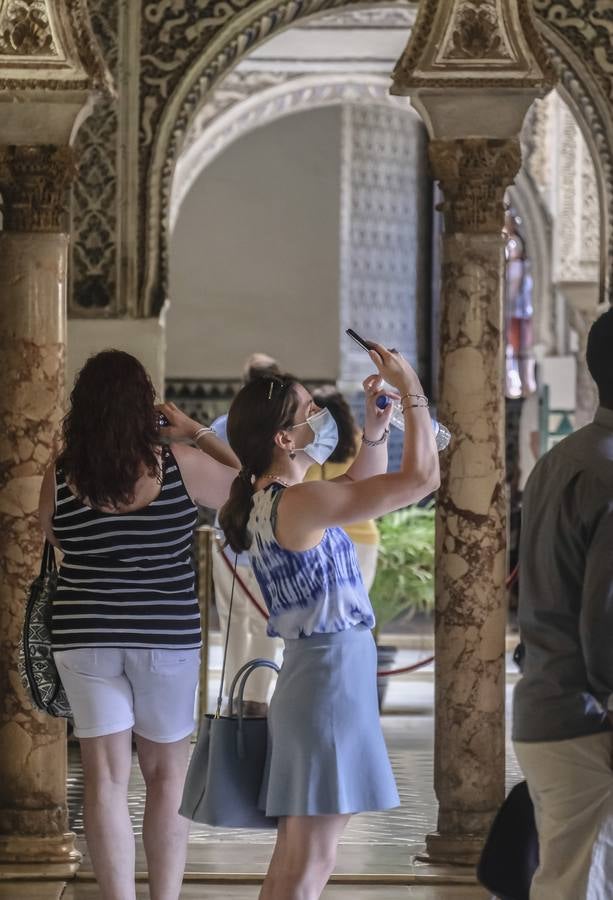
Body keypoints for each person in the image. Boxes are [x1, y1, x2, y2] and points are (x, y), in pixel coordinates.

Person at [220, 343, 439, 900]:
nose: (320, 419)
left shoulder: (276, 498)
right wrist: (410, 384)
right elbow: (420, 480)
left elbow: (355, 488)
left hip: (318, 678)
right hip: (328, 684)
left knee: (298, 858)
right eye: (308, 413)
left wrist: (375, 430)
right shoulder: (300, 503)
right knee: (310, 859)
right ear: (284, 439)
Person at [38, 350, 237, 900]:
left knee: (104, 781)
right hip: (165, 638)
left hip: (83, 636)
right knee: (166, 778)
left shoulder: (61, 472)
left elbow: (54, 538)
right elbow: (248, 484)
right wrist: (195, 431)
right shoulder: (178, 464)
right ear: (142, 407)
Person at [513, 308, 613, 899]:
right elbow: (605, 623)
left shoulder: (562, 459)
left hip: (547, 709)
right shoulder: (605, 473)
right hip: (586, 723)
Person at [211, 352, 284, 715]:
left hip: (230, 535)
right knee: (266, 619)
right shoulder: (285, 433)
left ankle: (231, 696)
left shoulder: (226, 425)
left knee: (234, 620)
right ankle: (258, 698)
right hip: (272, 534)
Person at [304, 384, 380, 590]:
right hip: (364, 534)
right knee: (356, 615)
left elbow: (307, 490)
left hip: (324, 540)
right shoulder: (362, 441)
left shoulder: (312, 448)